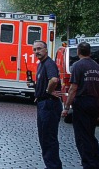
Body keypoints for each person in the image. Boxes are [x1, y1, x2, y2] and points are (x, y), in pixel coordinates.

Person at [60, 42, 99, 169]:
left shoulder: (78, 66)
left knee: (82, 137)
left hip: (82, 103)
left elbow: (73, 88)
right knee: (90, 135)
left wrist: (67, 107)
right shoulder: (97, 67)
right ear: (89, 52)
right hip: (94, 102)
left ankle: (89, 164)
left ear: (78, 52)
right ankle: (97, 163)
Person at [33, 40, 63, 169]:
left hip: (49, 105)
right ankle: (51, 165)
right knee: (44, 137)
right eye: (34, 49)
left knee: (48, 138)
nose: (36, 52)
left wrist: (48, 92)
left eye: (39, 49)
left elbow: (54, 79)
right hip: (43, 103)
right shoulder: (41, 64)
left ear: (46, 49)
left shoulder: (49, 64)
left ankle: (53, 166)